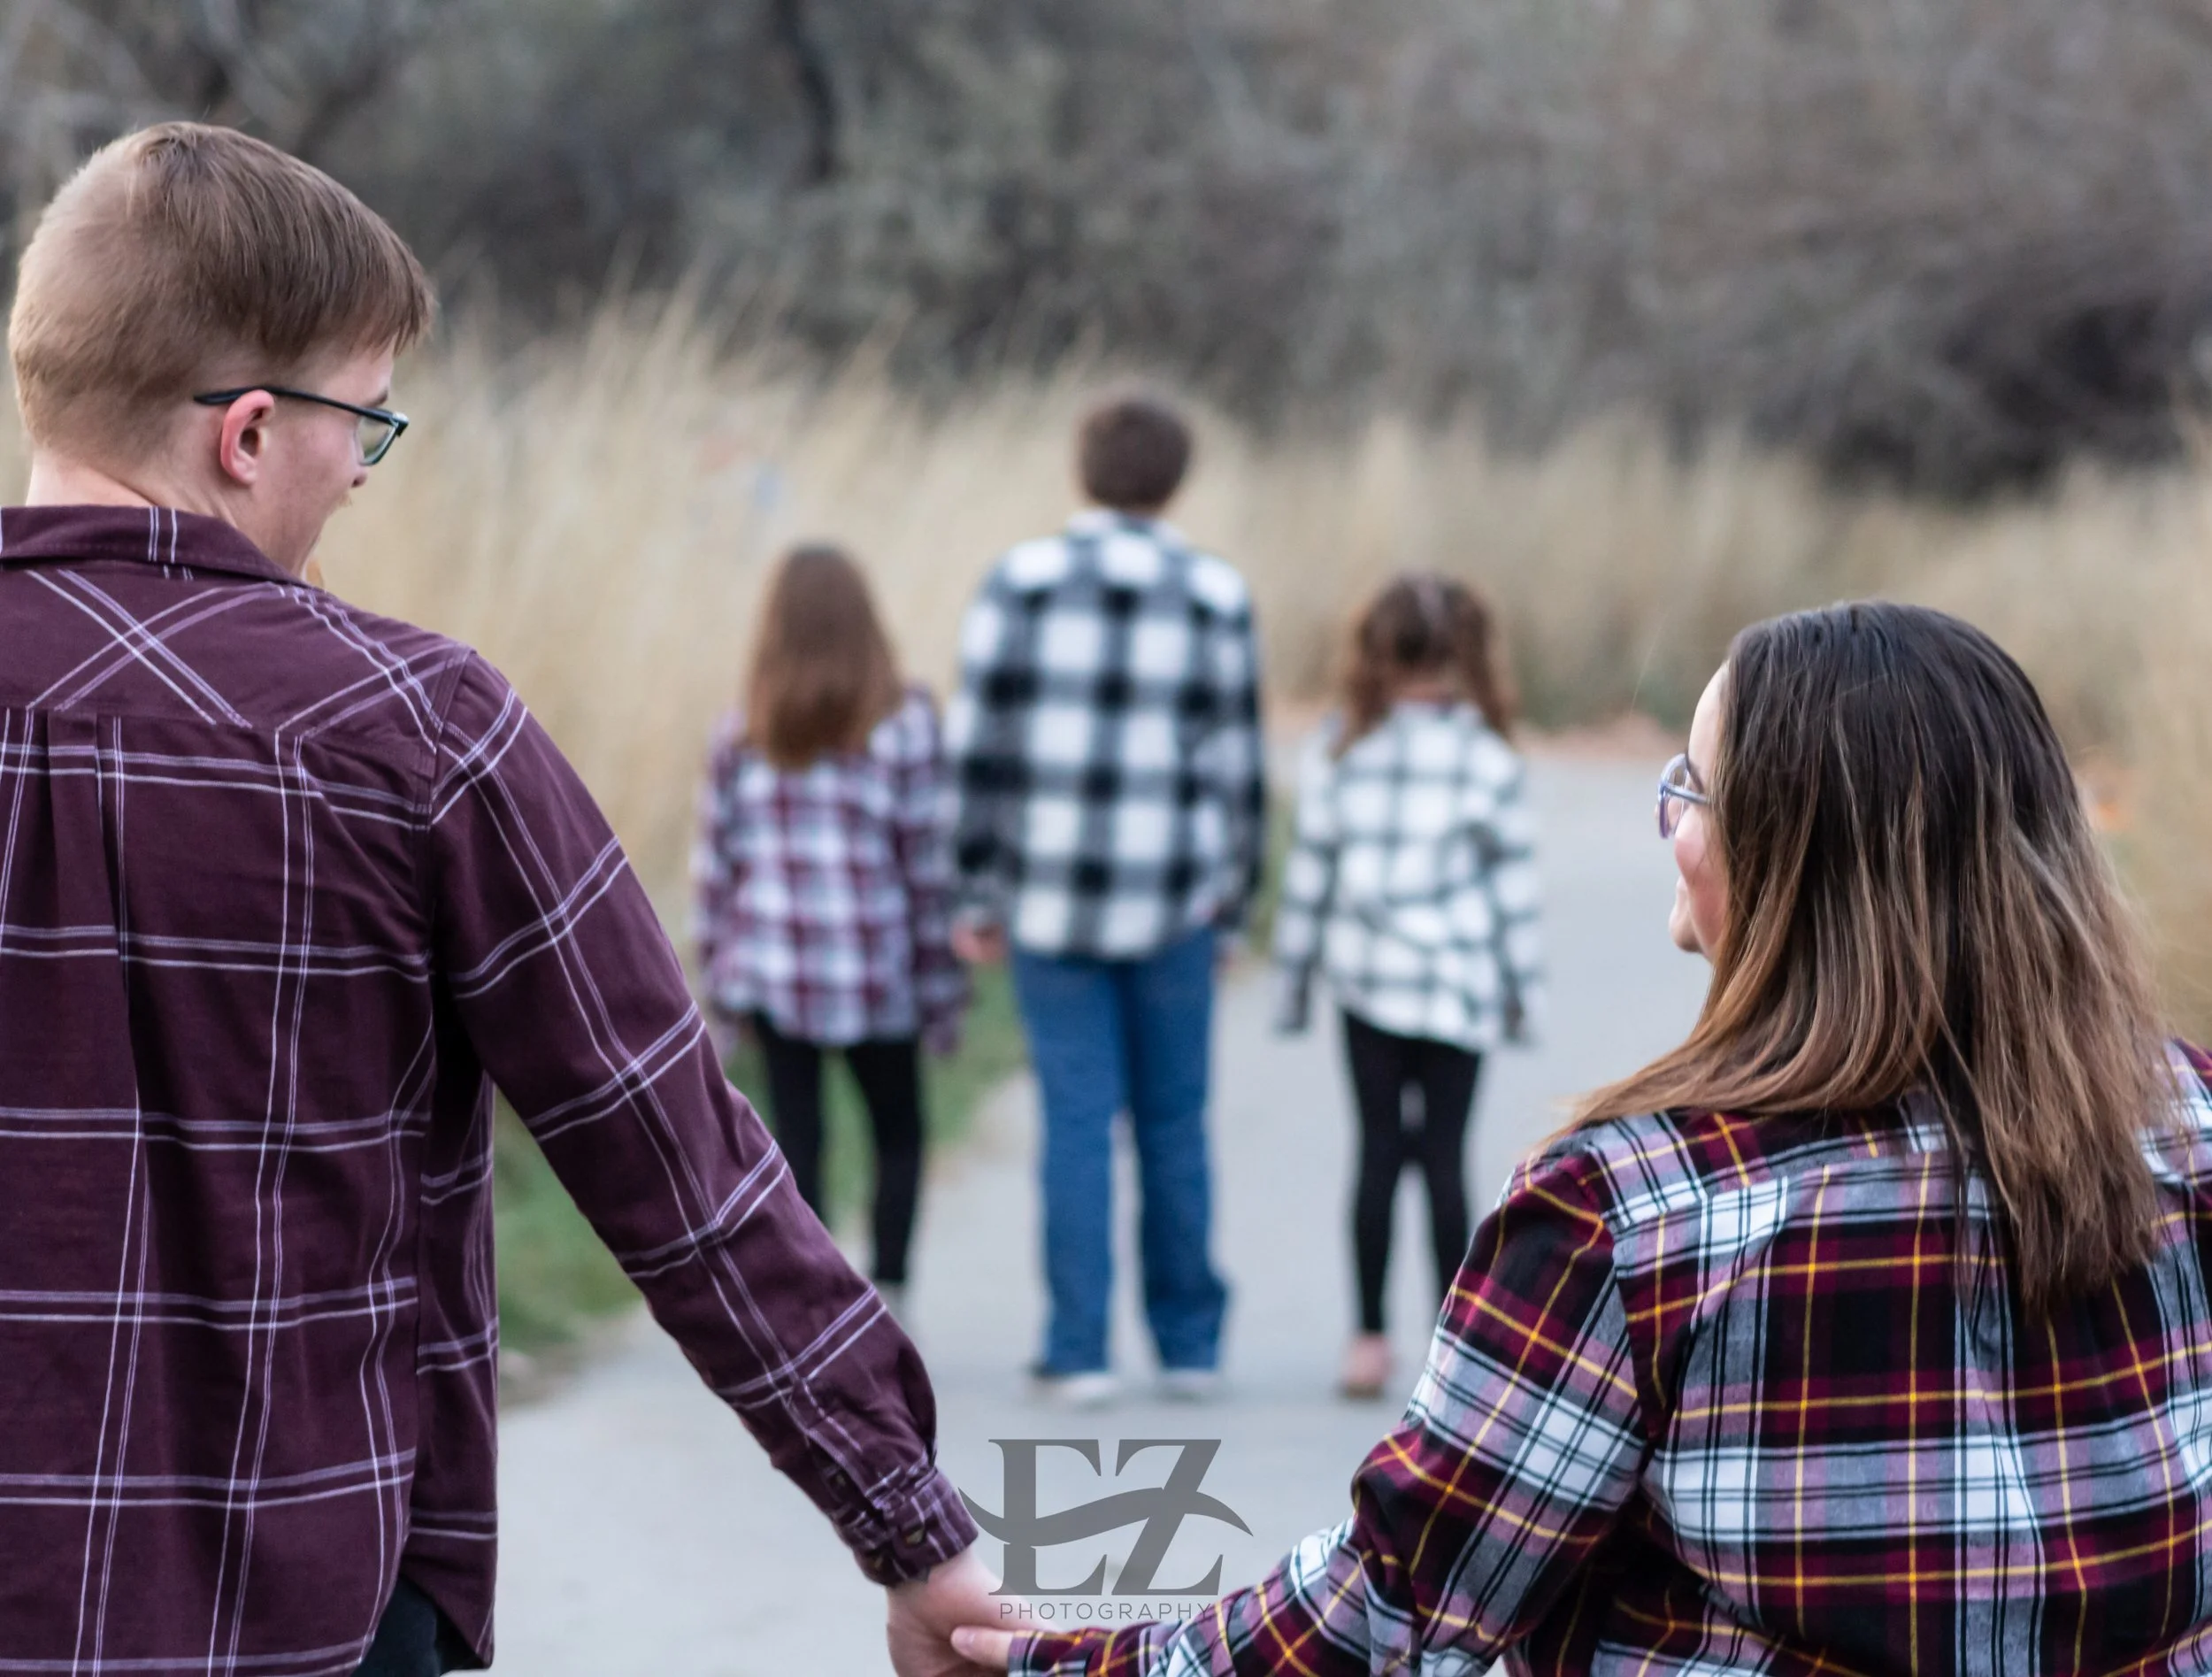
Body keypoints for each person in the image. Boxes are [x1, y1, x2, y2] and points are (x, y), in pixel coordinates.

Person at [0, 122, 1001, 1675]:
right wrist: (909, 1523)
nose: (360, 478)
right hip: (302, 1608)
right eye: (367, 427)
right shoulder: (416, 731)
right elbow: (677, 1161)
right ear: (250, 434)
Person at [956, 599, 2212, 1674]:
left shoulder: (1635, 1214)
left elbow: (1394, 1614)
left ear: (1784, 858)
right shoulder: (2190, 1131)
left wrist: (1057, 1660)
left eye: (1694, 788)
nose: (1673, 819)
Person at [945, 391, 1265, 1406]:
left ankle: (1078, 1345)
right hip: (1175, 900)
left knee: (1076, 1118)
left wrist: (974, 886)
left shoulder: (1021, 582)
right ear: (1176, 480)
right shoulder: (1214, 592)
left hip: (1048, 900)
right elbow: (1238, 771)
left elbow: (979, 753)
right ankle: (1189, 1343)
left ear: (1083, 471)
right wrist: (1237, 902)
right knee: (1175, 1119)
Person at [1272, 573, 1541, 1401]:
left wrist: (1294, 981)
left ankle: (1366, 1337)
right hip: (1458, 986)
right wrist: (1519, 990)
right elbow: (1513, 890)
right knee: (1447, 1159)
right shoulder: (1489, 759)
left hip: (1368, 985)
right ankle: (1451, 1344)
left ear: (1375, 654)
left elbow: (1309, 878)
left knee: (1379, 1151)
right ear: (1463, 654)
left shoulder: (1340, 752)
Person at [693, 542, 968, 1319]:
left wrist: (717, 982)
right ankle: (892, 1289)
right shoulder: (907, 724)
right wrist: (943, 993)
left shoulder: (743, 730)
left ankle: (810, 1302)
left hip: (775, 971)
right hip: (877, 971)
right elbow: (927, 870)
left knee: (796, 1137)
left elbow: (716, 868)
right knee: (899, 1131)